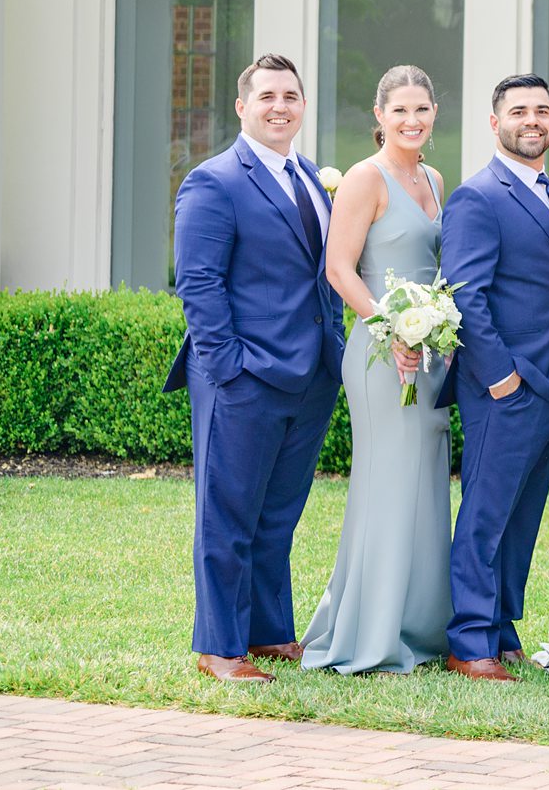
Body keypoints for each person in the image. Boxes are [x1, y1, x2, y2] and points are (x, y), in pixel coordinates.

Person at [168, 55, 343, 684]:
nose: (281, 106)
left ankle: (268, 632)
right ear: (242, 106)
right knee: (229, 515)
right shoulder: (213, 182)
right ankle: (219, 646)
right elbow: (199, 283)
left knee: (278, 516)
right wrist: (227, 370)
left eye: (291, 96)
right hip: (243, 380)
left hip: (312, 376)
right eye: (267, 95)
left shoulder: (313, 180)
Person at [304, 66, 452, 674]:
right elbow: (340, 269)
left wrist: (432, 329)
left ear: (435, 113)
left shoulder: (436, 179)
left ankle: (420, 627)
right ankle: (370, 631)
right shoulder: (367, 180)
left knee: (425, 490)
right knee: (386, 487)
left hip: (430, 350)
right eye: (400, 112)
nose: (411, 121)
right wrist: (391, 330)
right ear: (379, 117)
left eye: (422, 109)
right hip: (379, 350)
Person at [439, 73, 549, 681]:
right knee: (487, 513)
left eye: (542, 110)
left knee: (522, 517)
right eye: (519, 111)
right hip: (506, 388)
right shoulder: (477, 197)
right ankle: (470, 640)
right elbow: (466, 293)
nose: (533, 120)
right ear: (495, 123)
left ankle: (501, 624)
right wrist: (500, 378)